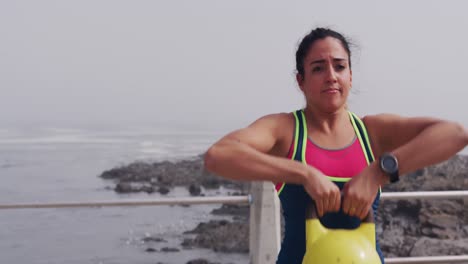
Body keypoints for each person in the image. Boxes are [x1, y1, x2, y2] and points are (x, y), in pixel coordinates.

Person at [203, 27, 468, 264]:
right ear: (301, 81)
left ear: (350, 76)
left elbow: (455, 133)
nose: (331, 76)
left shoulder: (371, 131)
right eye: (318, 68)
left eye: (339, 66)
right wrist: (303, 173)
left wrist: (378, 172)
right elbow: (219, 156)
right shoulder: (285, 130)